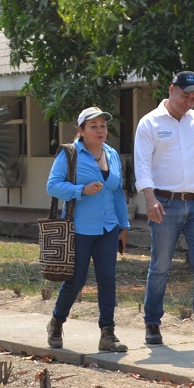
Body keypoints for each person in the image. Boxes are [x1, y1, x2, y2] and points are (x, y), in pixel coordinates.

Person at [135, 71, 194, 348]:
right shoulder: (149, 122)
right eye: (185, 95)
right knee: (160, 266)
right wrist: (150, 199)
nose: (189, 101)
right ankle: (152, 323)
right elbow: (142, 164)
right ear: (171, 90)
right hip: (165, 203)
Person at [44, 107, 132, 353]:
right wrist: (80, 190)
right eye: (93, 126)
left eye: (103, 126)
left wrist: (123, 226)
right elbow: (53, 186)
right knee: (75, 280)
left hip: (107, 227)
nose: (100, 130)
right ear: (81, 130)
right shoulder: (69, 154)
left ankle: (108, 334)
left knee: (107, 281)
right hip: (79, 228)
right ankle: (56, 323)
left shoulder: (112, 154)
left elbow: (116, 192)